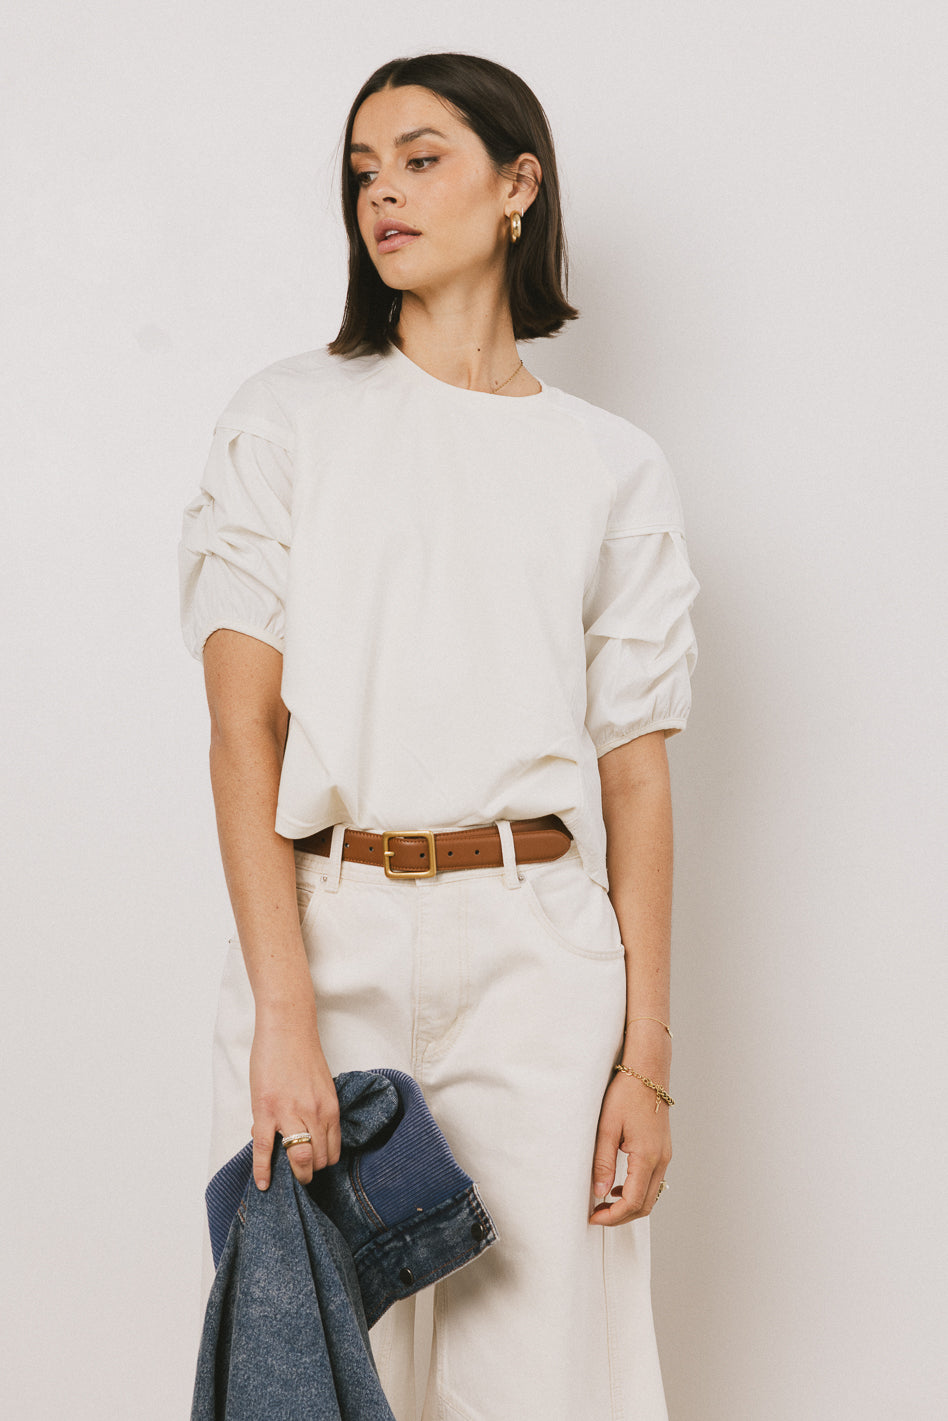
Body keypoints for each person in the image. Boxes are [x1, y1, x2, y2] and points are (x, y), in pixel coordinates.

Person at [178, 50, 699, 1421]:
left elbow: (637, 777)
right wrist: (284, 1014)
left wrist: (646, 1063)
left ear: (519, 186)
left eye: (420, 160)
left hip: (541, 954)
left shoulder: (611, 464)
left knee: (537, 1380)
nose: (384, 196)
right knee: (307, 1371)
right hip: (330, 931)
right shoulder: (287, 419)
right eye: (364, 172)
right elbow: (244, 729)